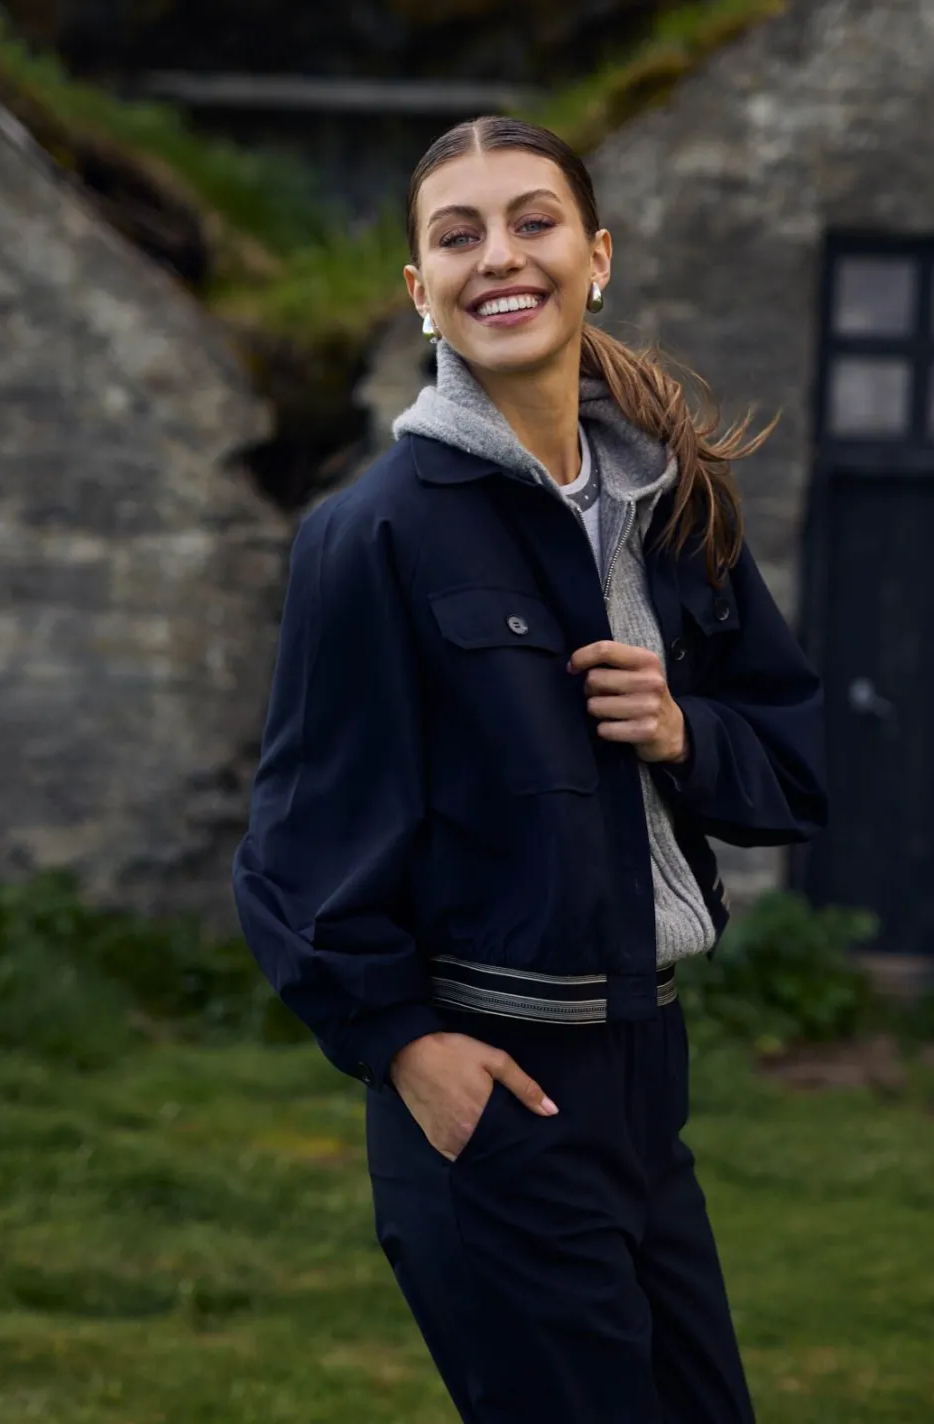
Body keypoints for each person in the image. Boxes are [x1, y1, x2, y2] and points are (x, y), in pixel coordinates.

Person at [232, 115, 826, 1424]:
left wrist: (685, 731)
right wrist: (403, 1046)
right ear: (421, 289)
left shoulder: (677, 510)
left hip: (646, 1072)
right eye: (459, 235)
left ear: (596, 258)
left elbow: (795, 763)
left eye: (534, 221)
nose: (499, 255)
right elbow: (295, 852)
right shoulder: (368, 535)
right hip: (492, 1083)